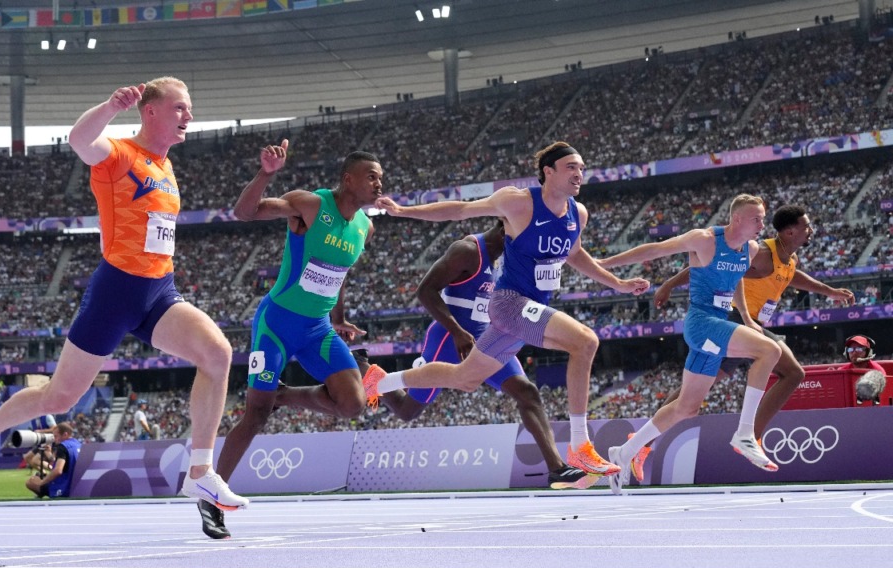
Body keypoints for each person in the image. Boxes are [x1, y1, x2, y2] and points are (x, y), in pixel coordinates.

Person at [0, 78, 247, 512]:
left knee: (218, 354)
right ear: (151, 111)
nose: (190, 116)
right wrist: (110, 106)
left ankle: (200, 473)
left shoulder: (166, 168)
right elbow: (79, 139)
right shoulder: (119, 155)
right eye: (180, 108)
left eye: (189, 109)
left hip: (160, 292)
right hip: (115, 291)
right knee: (59, 397)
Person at [365, 142, 650, 479]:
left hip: (525, 313)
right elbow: (459, 210)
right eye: (572, 167)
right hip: (510, 305)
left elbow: (575, 255)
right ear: (549, 171)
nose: (579, 174)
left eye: (582, 168)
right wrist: (404, 211)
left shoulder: (578, 214)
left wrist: (617, 283)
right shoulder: (518, 202)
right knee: (585, 341)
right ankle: (579, 446)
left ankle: (380, 382)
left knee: (465, 378)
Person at [196, 141, 381, 539]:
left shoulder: (365, 226)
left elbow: (337, 273)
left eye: (381, 177)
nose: (379, 183)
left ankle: (283, 395)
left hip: (318, 329)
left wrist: (340, 318)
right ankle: (212, 499)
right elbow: (244, 213)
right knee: (255, 414)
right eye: (372, 176)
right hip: (276, 326)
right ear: (348, 180)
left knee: (353, 404)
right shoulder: (311, 205)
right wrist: (266, 174)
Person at [357, 218, 594, 490]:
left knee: (526, 391)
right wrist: (457, 331)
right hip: (449, 338)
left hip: (486, 337)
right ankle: (369, 373)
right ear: (506, 228)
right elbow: (425, 292)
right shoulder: (467, 251)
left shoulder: (507, 260)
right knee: (407, 410)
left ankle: (557, 470)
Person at [598, 194, 783, 494]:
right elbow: (655, 249)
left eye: (763, 218)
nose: (763, 223)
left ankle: (625, 452)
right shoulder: (705, 240)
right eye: (757, 218)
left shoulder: (748, 249)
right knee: (770, 350)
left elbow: (735, 280)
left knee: (686, 408)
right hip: (701, 324)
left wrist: (747, 319)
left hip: (716, 328)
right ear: (737, 219)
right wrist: (603, 264)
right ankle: (745, 433)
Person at [650, 204, 854, 466]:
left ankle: (644, 441)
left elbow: (792, 276)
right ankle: (750, 437)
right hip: (734, 319)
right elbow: (708, 265)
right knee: (792, 372)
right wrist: (668, 284)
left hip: (752, 325)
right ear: (790, 231)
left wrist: (830, 291)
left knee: (696, 390)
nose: (811, 230)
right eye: (806, 225)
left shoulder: (790, 259)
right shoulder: (762, 252)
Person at [25, 423, 81, 499]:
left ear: (65, 434)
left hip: (63, 488)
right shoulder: (78, 444)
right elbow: (66, 464)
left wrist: (42, 482)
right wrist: (49, 455)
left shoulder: (62, 447)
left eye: (56, 436)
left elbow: (58, 471)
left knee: (31, 481)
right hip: (76, 486)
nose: (54, 439)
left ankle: (41, 493)